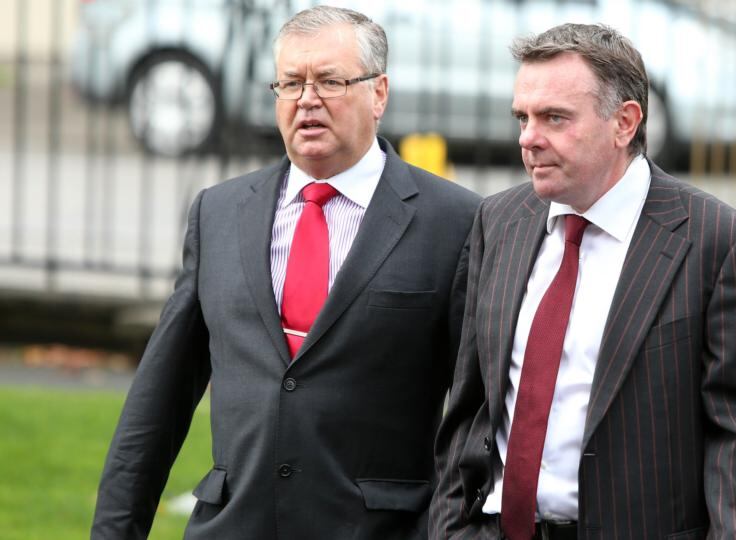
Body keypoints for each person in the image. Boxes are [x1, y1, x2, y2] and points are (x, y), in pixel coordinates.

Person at [91, 6, 480, 539]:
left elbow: (478, 416)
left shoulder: (454, 221)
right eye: (290, 82)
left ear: (379, 93)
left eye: (330, 81)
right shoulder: (219, 213)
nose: (307, 100)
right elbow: (158, 399)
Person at [430, 23, 736, 540]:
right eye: (522, 117)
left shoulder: (718, 243)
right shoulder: (498, 222)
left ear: (624, 122)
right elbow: (470, 408)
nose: (529, 137)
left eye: (554, 117)